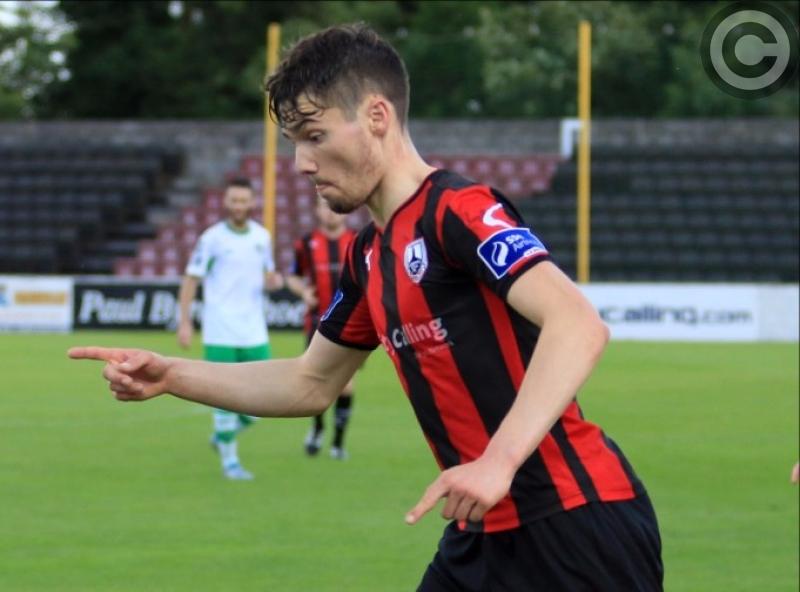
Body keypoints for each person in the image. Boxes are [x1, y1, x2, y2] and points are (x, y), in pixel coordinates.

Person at [70, 24, 663, 590]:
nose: (302, 163)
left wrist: (497, 462)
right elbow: (309, 383)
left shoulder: (458, 210)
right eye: (294, 143)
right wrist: (173, 375)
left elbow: (578, 324)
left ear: (377, 116)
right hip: (478, 531)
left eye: (315, 136)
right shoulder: (367, 258)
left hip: (576, 521)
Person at [176, 176, 283, 480]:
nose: (238, 205)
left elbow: (267, 276)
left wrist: (272, 282)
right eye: (233, 200)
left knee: (264, 401)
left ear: (251, 202)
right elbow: (191, 278)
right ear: (226, 202)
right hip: (220, 329)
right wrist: (185, 321)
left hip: (254, 330)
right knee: (223, 397)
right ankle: (230, 461)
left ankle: (223, 438)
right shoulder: (212, 238)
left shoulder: (262, 237)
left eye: (243, 200)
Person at [286, 197, 358, 460]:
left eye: (334, 205)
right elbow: (292, 275)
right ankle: (317, 429)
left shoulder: (357, 241)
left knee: (346, 385)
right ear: (316, 209)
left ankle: (338, 443)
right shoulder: (306, 243)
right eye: (323, 205)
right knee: (317, 383)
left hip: (351, 323)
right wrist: (304, 291)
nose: (330, 212)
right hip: (317, 323)